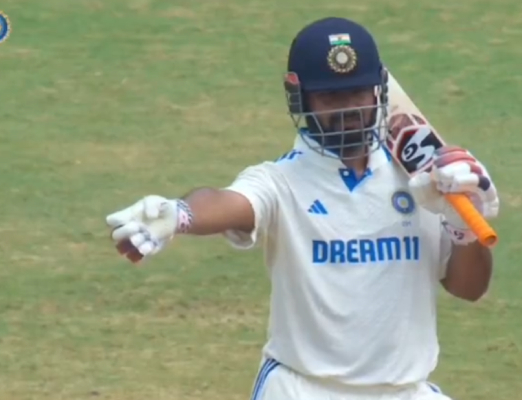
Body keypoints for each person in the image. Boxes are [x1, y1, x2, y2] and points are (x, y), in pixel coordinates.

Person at [105, 16, 500, 400]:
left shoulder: (423, 179)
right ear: (299, 96)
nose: (347, 111)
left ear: (379, 91)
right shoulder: (281, 181)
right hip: (303, 389)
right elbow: (228, 202)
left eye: (357, 94)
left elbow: (469, 288)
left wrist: (461, 225)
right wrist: (179, 215)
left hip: (404, 390)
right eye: (331, 96)